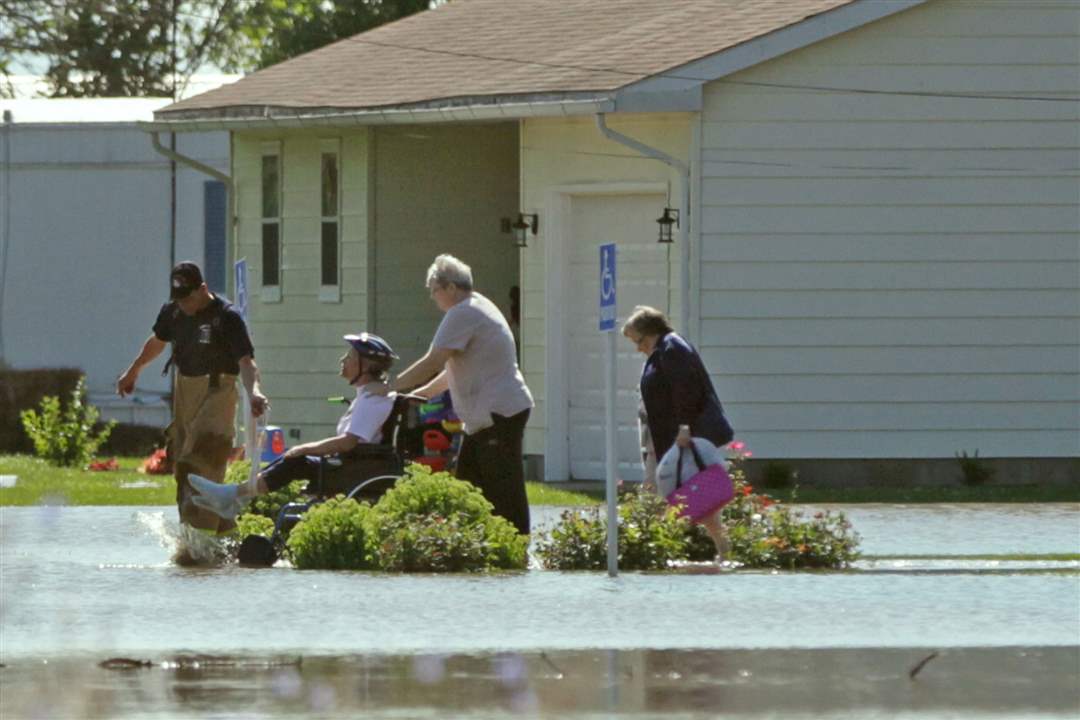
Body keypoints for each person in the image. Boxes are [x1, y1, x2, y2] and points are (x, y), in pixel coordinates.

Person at [383, 254, 534, 536]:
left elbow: (433, 361)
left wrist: (390, 385)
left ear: (451, 287)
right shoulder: (478, 305)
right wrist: (420, 393)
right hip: (486, 417)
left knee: (503, 489)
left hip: (497, 414)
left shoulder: (463, 312)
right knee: (467, 487)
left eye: (434, 290)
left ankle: (517, 547)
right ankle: (473, 546)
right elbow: (451, 370)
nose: (433, 297)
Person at [116, 261, 268, 535]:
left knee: (202, 460)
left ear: (203, 289)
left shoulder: (227, 317)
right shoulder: (173, 312)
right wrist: (134, 370)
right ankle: (222, 535)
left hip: (218, 390)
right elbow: (157, 341)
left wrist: (254, 391)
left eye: (187, 298)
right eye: (179, 299)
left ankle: (200, 541)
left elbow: (246, 362)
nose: (183, 305)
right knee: (181, 465)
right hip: (185, 390)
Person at [187, 333, 399, 521]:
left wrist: (305, 448)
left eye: (350, 357)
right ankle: (234, 498)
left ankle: (232, 496)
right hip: (351, 463)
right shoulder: (368, 395)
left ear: (366, 366)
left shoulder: (373, 400)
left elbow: (348, 442)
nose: (343, 360)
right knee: (291, 457)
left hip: (354, 468)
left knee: (296, 460)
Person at [622, 305, 735, 557]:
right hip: (664, 440)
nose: (638, 348)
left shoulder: (672, 349)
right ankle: (668, 549)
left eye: (638, 341)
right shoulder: (662, 350)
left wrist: (684, 428)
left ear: (651, 332)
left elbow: (687, 391)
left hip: (682, 438)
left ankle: (654, 551)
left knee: (684, 496)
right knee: (667, 494)